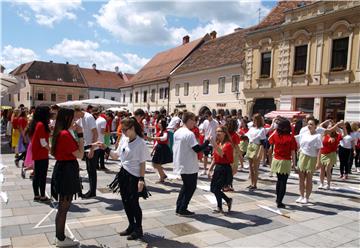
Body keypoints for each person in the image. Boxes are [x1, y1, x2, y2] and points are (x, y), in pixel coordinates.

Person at [104, 117, 151, 240]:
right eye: (122, 130)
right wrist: (105, 148)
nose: (123, 132)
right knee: (125, 202)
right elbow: (115, 156)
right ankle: (131, 225)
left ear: (132, 128)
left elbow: (142, 163)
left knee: (134, 203)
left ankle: (138, 229)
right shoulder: (124, 139)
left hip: (134, 177)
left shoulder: (140, 143)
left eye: (125, 130)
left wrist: (141, 179)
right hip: (123, 174)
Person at [51, 108, 85, 247]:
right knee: (64, 207)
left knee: (62, 207)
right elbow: (80, 154)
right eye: (72, 118)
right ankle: (60, 238)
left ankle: (59, 236)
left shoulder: (60, 132)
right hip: (67, 171)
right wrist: (81, 135)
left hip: (62, 168)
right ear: (67, 119)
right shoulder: (65, 134)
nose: (74, 121)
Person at [173, 112, 210, 216]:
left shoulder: (178, 132)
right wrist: (207, 142)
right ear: (189, 120)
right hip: (189, 164)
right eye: (194, 120)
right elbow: (197, 149)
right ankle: (183, 208)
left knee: (186, 186)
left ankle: (179, 207)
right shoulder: (189, 133)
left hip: (181, 162)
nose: (195, 123)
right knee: (191, 187)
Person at [268, 118, 297, 208]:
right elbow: (293, 151)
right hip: (285, 161)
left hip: (276, 160)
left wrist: (275, 131)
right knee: (283, 182)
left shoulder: (276, 135)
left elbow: (269, 139)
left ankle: (277, 199)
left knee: (279, 180)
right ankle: (280, 201)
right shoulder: (291, 137)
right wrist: (294, 163)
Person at [295, 117, 323, 204]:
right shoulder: (304, 134)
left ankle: (307, 197)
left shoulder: (318, 136)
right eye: (308, 124)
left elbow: (319, 150)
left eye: (311, 124)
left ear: (315, 126)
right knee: (301, 178)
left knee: (309, 178)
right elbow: (299, 144)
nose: (309, 126)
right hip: (302, 156)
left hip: (312, 158)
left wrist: (318, 162)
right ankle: (301, 196)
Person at [207, 126, 233, 213]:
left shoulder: (228, 145)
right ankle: (227, 201)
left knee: (216, 189)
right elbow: (215, 158)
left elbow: (221, 154)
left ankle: (220, 206)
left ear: (224, 133)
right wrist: (209, 169)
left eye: (219, 131)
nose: (217, 133)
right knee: (213, 188)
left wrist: (213, 143)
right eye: (216, 131)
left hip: (224, 169)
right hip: (218, 168)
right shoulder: (218, 144)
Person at [28, 106, 51, 202]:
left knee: (37, 175)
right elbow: (43, 142)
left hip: (38, 153)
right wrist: (50, 149)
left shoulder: (37, 124)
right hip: (41, 153)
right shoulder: (41, 124)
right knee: (41, 175)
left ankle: (37, 195)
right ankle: (42, 196)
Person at [75, 107, 98, 198]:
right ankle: (91, 190)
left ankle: (93, 192)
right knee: (89, 170)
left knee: (92, 171)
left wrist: (92, 149)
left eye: (75, 114)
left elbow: (95, 134)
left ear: (78, 111)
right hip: (87, 146)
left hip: (92, 147)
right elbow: (77, 127)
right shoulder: (81, 118)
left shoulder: (89, 117)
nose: (75, 116)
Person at [318, 120, 343, 189]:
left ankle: (328, 184)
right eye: (328, 127)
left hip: (331, 154)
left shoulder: (337, 135)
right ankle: (321, 183)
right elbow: (320, 126)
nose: (329, 128)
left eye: (331, 127)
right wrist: (326, 121)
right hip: (323, 153)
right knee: (322, 169)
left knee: (327, 169)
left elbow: (342, 132)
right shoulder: (324, 134)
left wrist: (336, 125)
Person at [245, 113, 266, 190]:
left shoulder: (262, 129)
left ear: (259, 120)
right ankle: (251, 183)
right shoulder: (252, 128)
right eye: (253, 119)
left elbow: (263, 142)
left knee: (255, 167)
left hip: (257, 146)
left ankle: (255, 184)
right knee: (250, 167)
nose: (254, 121)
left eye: (255, 120)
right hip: (250, 146)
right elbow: (247, 136)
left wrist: (259, 152)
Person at [148, 119, 172, 183]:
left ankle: (162, 176)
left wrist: (154, 138)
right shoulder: (159, 131)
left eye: (160, 123)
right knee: (155, 164)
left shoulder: (165, 131)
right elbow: (157, 142)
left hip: (162, 148)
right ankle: (163, 175)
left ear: (163, 124)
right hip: (159, 148)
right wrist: (153, 150)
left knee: (156, 163)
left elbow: (164, 138)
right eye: (158, 123)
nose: (158, 124)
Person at [201, 110, 219, 175]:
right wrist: (203, 134)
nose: (206, 118)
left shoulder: (215, 122)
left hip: (213, 142)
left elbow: (217, 132)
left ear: (210, 115)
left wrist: (217, 141)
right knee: (205, 156)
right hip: (206, 141)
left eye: (207, 116)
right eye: (205, 116)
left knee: (212, 157)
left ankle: (211, 170)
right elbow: (203, 130)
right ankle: (204, 169)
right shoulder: (205, 122)